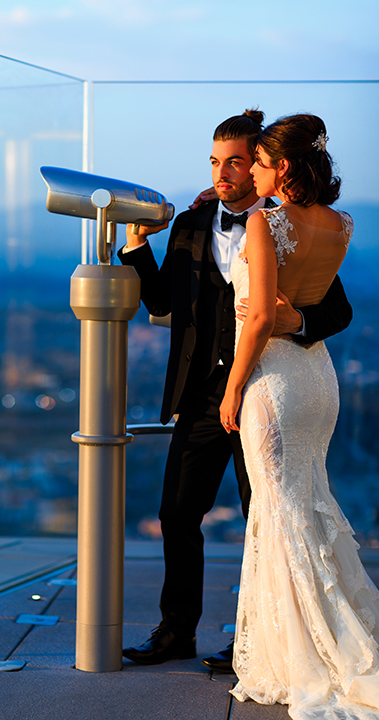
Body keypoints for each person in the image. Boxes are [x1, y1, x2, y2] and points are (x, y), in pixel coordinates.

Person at [118, 110, 352, 670]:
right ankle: (176, 630)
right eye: (215, 163)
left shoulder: (289, 224)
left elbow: (337, 309)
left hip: (266, 392)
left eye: (236, 162)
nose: (223, 174)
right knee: (177, 512)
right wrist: (136, 248)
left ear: (262, 167)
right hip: (203, 395)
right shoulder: (193, 224)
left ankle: (256, 638)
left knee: (262, 519)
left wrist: (295, 321)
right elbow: (163, 305)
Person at [220, 113, 379, 719]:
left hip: (274, 381)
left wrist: (233, 389)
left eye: (257, 163)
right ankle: (318, 640)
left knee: (281, 511)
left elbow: (259, 318)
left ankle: (304, 653)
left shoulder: (265, 222)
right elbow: (308, 304)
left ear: (281, 167)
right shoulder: (341, 224)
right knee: (304, 502)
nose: (251, 172)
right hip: (319, 378)